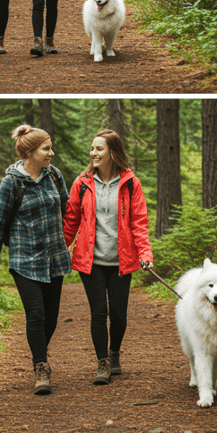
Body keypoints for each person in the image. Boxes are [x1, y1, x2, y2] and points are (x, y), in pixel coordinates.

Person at [63, 129, 154, 385]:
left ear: (113, 152)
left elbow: (139, 222)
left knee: (119, 315)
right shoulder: (82, 183)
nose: (93, 153)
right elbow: (70, 221)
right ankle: (102, 362)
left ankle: (114, 353)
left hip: (121, 261)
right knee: (98, 312)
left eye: (99, 149)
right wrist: (59, 249)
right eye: (92, 148)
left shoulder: (131, 183)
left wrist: (145, 253)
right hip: (90, 261)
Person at [0, 125, 71, 395]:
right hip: (24, 258)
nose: (51, 153)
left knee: (51, 318)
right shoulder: (12, 182)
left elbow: (67, 209)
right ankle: (41, 367)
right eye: (46, 149)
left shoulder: (54, 175)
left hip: (54, 257)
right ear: (30, 152)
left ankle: (39, 353)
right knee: (36, 314)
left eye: (50, 147)